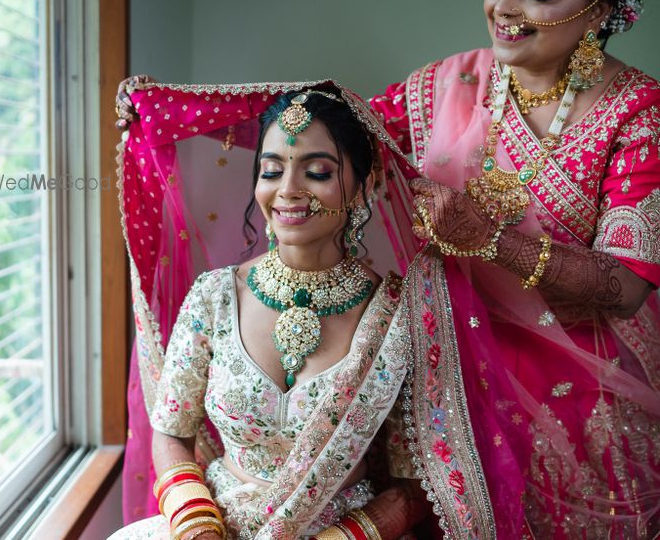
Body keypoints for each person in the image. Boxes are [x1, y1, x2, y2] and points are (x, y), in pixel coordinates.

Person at [117, 0, 660, 538]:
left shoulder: (636, 110)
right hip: (448, 380)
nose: (505, 9)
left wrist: (490, 240)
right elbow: (329, 132)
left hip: (583, 397)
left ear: (599, 8)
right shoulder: (452, 83)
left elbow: (624, 286)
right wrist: (175, 118)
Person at [111, 84, 428, 539]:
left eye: (317, 172)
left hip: (342, 531)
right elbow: (171, 433)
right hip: (215, 522)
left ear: (366, 184)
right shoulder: (216, 296)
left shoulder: (398, 315)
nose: (288, 191)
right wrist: (198, 525)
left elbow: (414, 482)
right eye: (272, 170)